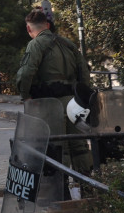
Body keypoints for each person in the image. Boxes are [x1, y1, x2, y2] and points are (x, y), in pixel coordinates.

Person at [15, 9, 94, 174]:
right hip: (74, 102)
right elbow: (84, 72)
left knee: (58, 146)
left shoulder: (36, 44)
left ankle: (61, 185)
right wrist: (83, 97)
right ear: (48, 25)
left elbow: (26, 73)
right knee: (79, 145)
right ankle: (87, 183)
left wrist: (25, 96)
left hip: (51, 104)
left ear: (29, 28)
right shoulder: (68, 44)